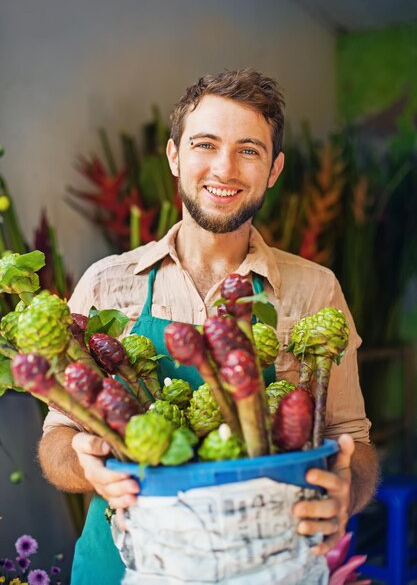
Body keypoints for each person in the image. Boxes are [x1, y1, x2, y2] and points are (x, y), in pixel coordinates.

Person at [38, 69, 379, 585]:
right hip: (122, 567)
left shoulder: (315, 290)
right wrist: (84, 463)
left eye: (249, 150)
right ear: (174, 157)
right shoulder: (107, 285)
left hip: (268, 567)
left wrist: (344, 493)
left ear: (274, 169)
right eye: (205, 144)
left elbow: (352, 439)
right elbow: (57, 438)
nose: (225, 168)